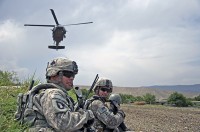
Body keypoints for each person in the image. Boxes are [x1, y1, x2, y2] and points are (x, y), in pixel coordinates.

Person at [27, 57, 94, 132]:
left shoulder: (57, 94)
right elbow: (62, 123)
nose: (72, 78)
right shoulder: (53, 93)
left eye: (73, 75)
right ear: (54, 74)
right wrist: (87, 116)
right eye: (68, 74)